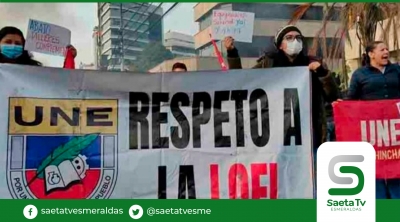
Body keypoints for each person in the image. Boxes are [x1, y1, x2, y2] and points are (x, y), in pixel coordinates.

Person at [224, 25, 339, 197]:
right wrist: (232, 53)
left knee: (311, 182)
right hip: (277, 138)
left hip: (309, 135)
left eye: (299, 38)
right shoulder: (267, 65)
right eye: (290, 38)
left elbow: (333, 95)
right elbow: (243, 83)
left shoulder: (313, 64)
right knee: (282, 181)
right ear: (280, 45)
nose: (295, 41)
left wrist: (322, 72)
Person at [345, 41, 400, 199]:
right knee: (374, 164)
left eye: (387, 49)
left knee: (395, 162)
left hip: (395, 129)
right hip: (372, 130)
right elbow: (352, 99)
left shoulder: (396, 70)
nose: (386, 52)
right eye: (382, 49)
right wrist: (342, 106)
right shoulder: (360, 74)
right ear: (371, 54)